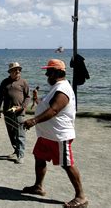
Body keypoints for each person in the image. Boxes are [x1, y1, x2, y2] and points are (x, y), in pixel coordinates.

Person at [22, 59, 88, 208]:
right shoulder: (57, 87)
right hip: (47, 135)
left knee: (67, 164)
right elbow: (48, 106)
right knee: (39, 158)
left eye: (49, 72)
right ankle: (38, 186)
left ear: (58, 72)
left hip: (59, 136)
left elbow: (54, 110)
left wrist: (34, 121)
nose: (47, 74)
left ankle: (81, 196)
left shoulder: (63, 89)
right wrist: (37, 100)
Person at [0, 62, 30, 164]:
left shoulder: (23, 82)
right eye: (15, 70)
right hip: (8, 111)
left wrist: (22, 107)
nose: (17, 71)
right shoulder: (4, 82)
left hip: (19, 111)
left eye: (19, 70)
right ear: (10, 72)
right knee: (11, 133)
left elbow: (28, 97)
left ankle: (21, 155)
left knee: (20, 133)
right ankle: (16, 150)